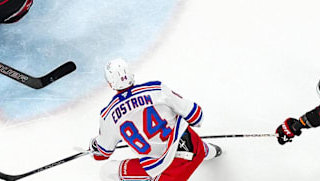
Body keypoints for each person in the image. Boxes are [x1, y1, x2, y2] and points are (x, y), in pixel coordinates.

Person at [89, 58, 222, 181]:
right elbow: (196, 116)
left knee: (107, 171)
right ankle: (211, 151)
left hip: (168, 173)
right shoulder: (157, 89)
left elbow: (101, 154)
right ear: (131, 75)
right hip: (194, 149)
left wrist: (94, 145)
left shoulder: (108, 116)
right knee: (184, 136)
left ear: (110, 84)